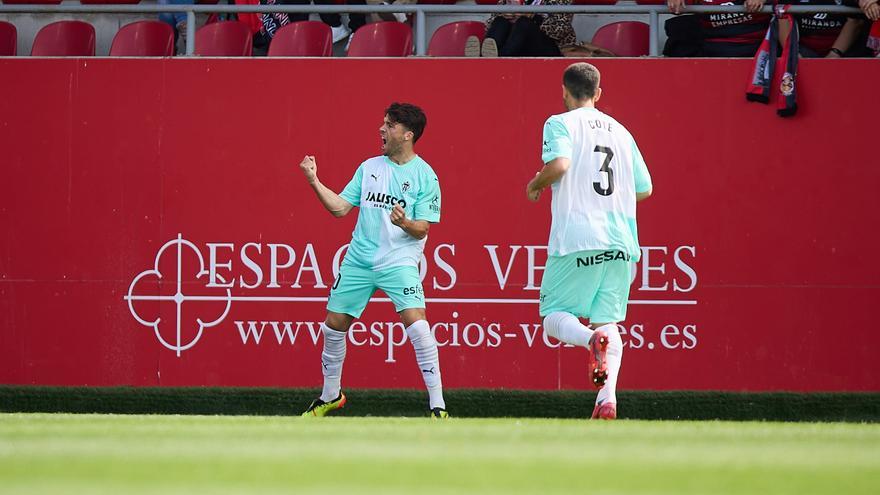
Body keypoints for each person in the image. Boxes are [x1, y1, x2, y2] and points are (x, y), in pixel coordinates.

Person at [298, 103, 447, 419]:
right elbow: (340, 208)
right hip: (359, 261)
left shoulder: (425, 175)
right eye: (383, 123)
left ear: (407, 135)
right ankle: (331, 396)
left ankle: (438, 406)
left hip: (399, 262)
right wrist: (314, 180)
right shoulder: (369, 167)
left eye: (390, 125)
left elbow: (423, 229)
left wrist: (405, 222)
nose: (382, 130)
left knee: (418, 326)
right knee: (333, 327)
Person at [526, 63, 652, 420]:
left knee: (552, 316)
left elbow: (561, 165)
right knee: (607, 321)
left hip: (578, 235)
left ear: (565, 92)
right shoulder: (623, 132)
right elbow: (644, 188)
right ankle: (607, 399)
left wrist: (536, 183)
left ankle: (587, 341)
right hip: (622, 240)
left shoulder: (560, 122)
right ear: (598, 93)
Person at [465, 0, 576, 57]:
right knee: (500, 21)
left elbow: (562, 29)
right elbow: (489, 24)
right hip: (514, 42)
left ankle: (499, 58)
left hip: (546, 47)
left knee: (524, 23)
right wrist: (505, 14)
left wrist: (533, 16)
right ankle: (482, 57)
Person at [665, 0, 770, 57]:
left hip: (752, 47)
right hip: (712, 46)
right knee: (678, 28)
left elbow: (782, 9)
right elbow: (675, 9)